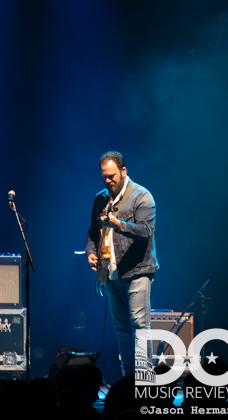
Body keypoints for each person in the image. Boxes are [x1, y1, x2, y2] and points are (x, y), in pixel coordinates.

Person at [85, 151, 157, 376]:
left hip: (137, 273)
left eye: (112, 176)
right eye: (104, 176)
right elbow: (92, 233)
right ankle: (128, 378)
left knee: (139, 327)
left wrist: (119, 224)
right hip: (111, 276)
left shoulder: (142, 196)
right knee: (122, 330)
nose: (108, 181)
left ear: (123, 171)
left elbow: (145, 231)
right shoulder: (100, 198)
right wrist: (90, 252)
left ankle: (144, 379)